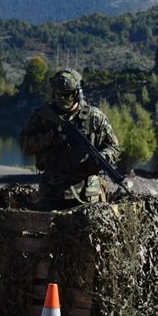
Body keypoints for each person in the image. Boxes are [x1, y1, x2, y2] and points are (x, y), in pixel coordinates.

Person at [19, 68, 121, 211]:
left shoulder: (94, 117)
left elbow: (114, 147)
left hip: (87, 193)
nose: (62, 98)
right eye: (59, 94)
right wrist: (50, 138)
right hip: (51, 191)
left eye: (67, 95)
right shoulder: (43, 116)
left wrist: (102, 157)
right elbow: (25, 145)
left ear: (77, 93)